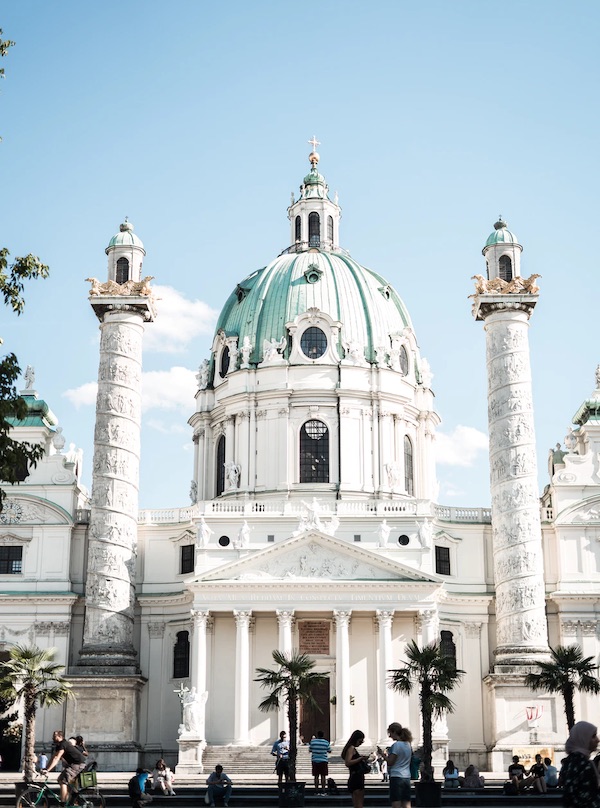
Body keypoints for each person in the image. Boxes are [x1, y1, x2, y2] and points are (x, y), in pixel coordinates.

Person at [561, 720, 600, 808]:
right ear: (583, 738)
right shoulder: (583, 764)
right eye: (593, 736)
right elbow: (587, 798)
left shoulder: (569, 762)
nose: (598, 740)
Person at [42, 730, 87, 804]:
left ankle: (63, 802)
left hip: (78, 764)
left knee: (63, 780)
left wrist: (48, 770)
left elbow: (57, 758)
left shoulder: (63, 744)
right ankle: (72, 797)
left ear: (60, 736)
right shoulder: (59, 745)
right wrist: (46, 768)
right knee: (61, 779)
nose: (52, 737)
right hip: (74, 764)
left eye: (54, 736)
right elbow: (53, 757)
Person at [342, 729, 373, 808]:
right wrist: (360, 759)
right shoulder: (351, 748)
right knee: (358, 804)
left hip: (355, 776)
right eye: (360, 741)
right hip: (356, 777)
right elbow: (348, 762)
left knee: (357, 803)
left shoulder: (351, 748)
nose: (360, 743)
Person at [386, 723, 412, 808]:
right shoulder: (408, 745)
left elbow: (390, 762)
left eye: (390, 733)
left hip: (396, 776)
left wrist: (383, 755)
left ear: (394, 732)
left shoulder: (396, 745)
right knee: (406, 801)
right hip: (406, 776)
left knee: (396, 801)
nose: (390, 736)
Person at [309, 730, 331, 794]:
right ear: (323, 735)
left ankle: (316, 790)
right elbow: (329, 750)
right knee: (323, 776)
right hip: (323, 760)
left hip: (315, 760)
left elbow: (310, 749)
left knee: (316, 776)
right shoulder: (326, 742)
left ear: (317, 735)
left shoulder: (313, 742)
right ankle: (323, 790)